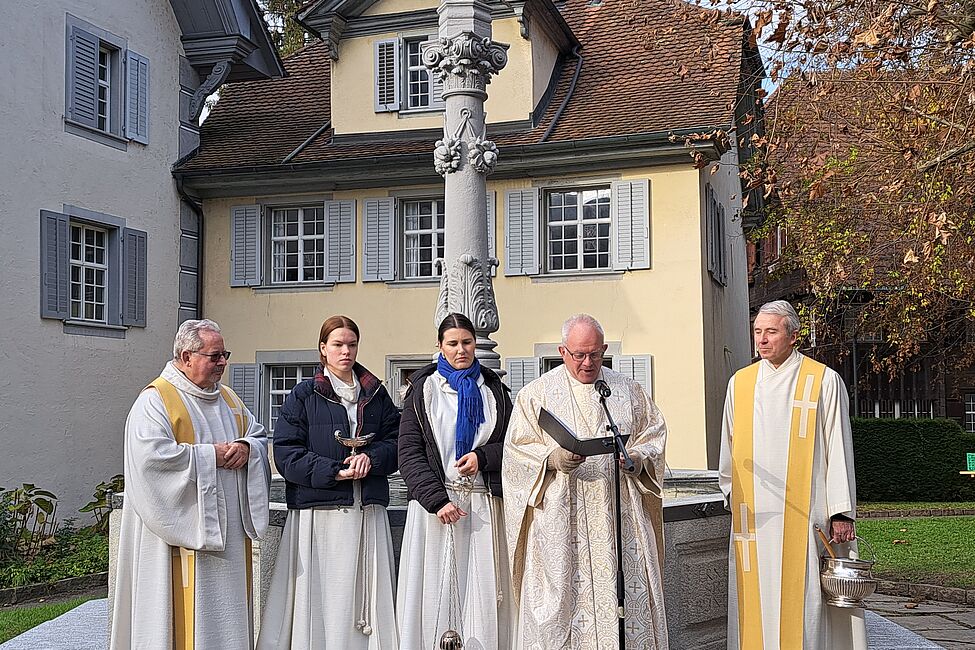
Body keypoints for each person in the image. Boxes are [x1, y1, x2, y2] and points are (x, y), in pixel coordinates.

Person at [502, 313, 669, 649]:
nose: (588, 362)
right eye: (579, 355)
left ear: (604, 349)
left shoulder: (628, 391)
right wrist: (552, 459)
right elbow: (515, 456)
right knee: (561, 614)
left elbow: (654, 436)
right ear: (563, 351)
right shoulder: (536, 396)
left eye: (595, 354)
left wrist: (636, 459)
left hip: (619, 521)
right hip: (562, 524)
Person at [110, 319, 270, 650]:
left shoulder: (227, 398)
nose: (223, 362)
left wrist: (246, 447)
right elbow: (151, 461)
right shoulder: (156, 401)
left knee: (226, 617)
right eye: (215, 356)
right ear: (187, 357)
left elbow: (256, 434)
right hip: (175, 540)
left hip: (229, 538)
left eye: (224, 354)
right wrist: (210, 456)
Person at [719, 300, 866, 649]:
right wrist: (730, 492)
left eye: (771, 331)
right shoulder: (740, 383)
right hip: (754, 517)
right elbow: (728, 444)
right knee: (755, 597)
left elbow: (838, 447)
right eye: (757, 332)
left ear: (793, 336)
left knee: (806, 600)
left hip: (806, 514)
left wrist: (841, 512)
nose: (762, 340)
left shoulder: (823, 381)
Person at [256, 315, 400, 649]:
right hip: (319, 513)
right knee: (324, 595)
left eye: (351, 344)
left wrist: (372, 458)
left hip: (366, 510)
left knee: (366, 598)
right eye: (337, 345)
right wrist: (335, 470)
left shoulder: (376, 394)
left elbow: (398, 443)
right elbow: (286, 454)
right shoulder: (304, 395)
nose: (345, 351)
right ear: (323, 349)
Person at [397, 313, 515, 649]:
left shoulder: (494, 391)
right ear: (440, 347)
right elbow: (408, 453)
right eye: (453, 343)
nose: (461, 350)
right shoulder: (424, 390)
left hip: (483, 504)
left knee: (483, 591)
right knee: (436, 591)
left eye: (467, 342)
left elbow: (514, 445)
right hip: (436, 507)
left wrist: (483, 457)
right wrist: (436, 500)